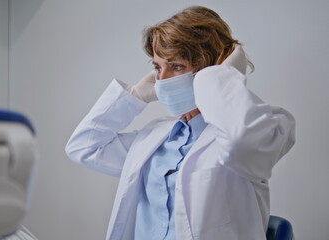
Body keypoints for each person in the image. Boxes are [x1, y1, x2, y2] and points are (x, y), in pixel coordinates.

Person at [65, 6, 295, 240]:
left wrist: (221, 75)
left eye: (176, 66)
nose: (161, 80)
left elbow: (240, 142)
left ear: (210, 69)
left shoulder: (263, 126)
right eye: (157, 67)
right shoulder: (153, 137)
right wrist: (134, 96)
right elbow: (84, 146)